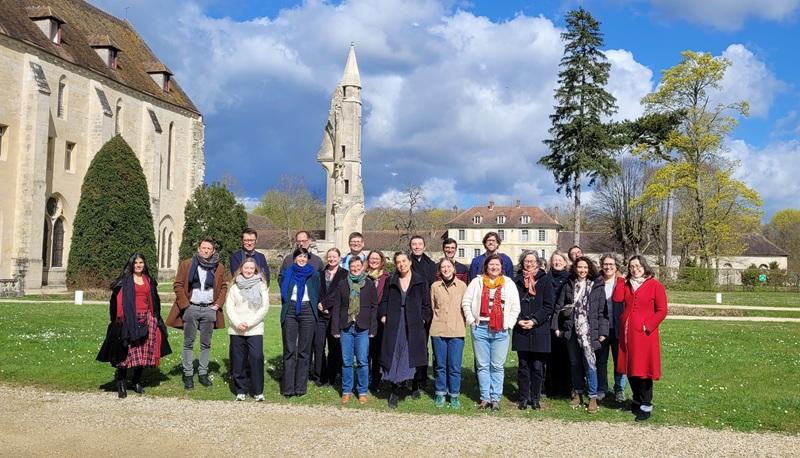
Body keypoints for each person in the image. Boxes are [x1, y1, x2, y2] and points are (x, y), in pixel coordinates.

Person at [97, 254, 171, 398]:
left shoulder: (149, 281)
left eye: (141, 262)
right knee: (126, 353)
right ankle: (122, 383)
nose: (138, 265)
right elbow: (116, 303)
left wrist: (155, 317)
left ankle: (136, 381)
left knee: (143, 353)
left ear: (144, 264)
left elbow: (155, 300)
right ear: (131, 264)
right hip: (128, 320)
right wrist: (119, 320)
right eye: (136, 262)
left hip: (146, 318)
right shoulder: (124, 282)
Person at [166, 237, 227, 390]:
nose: (206, 250)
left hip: (209, 309)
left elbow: (224, 287)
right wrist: (185, 305)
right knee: (188, 343)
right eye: (203, 248)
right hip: (191, 308)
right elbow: (178, 285)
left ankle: (203, 373)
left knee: (206, 344)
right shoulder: (187, 264)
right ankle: (188, 374)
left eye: (209, 249)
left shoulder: (219, 267)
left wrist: (218, 304)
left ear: (213, 251)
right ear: (199, 249)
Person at [613, 255, 668, 422]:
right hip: (627, 334)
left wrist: (647, 325)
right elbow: (617, 298)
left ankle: (646, 405)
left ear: (644, 267)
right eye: (631, 267)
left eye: (637, 266)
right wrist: (621, 281)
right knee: (630, 368)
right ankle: (636, 401)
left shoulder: (655, 285)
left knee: (643, 370)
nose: (635, 269)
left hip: (644, 336)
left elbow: (662, 310)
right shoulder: (627, 284)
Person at [462, 254, 521, 410]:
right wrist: (471, 320)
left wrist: (509, 324)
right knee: (482, 365)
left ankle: (495, 398)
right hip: (480, 327)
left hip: (500, 329)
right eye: (491, 265)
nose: (494, 267)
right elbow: (466, 302)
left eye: (497, 265)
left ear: (501, 267)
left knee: (497, 365)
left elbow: (515, 306)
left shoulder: (508, 284)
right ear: (486, 267)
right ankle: (485, 397)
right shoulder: (477, 282)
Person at [554, 256, 609, 414]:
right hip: (572, 330)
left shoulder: (597, 286)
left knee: (590, 364)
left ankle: (592, 396)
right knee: (575, 363)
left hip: (589, 332)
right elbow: (559, 306)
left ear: (589, 269)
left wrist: (603, 332)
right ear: (575, 268)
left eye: (585, 268)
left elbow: (602, 311)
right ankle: (577, 393)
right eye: (579, 267)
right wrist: (557, 327)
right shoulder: (569, 284)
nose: (582, 270)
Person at [379, 252, 432, 408]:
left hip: (413, 321)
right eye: (398, 262)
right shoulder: (391, 280)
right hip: (395, 321)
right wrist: (383, 315)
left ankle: (414, 383)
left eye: (404, 261)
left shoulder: (420, 281)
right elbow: (384, 300)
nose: (401, 264)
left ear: (409, 262)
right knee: (395, 352)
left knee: (411, 353)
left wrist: (423, 317)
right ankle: (394, 388)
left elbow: (426, 304)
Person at [331, 257, 378, 405]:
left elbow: (374, 307)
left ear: (362, 267)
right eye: (353, 266)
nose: (356, 268)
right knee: (346, 361)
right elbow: (337, 306)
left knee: (363, 361)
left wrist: (372, 327)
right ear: (349, 267)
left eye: (358, 266)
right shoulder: (343, 284)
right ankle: (346, 391)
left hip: (363, 327)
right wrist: (335, 328)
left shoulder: (369, 284)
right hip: (346, 326)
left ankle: (362, 391)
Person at [512, 251, 554, 410]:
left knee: (537, 366)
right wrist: (519, 320)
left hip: (539, 328)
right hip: (521, 328)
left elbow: (549, 305)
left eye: (532, 261)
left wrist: (534, 320)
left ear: (537, 263)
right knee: (523, 366)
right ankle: (523, 397)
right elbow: (511, 303)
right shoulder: (516, 281)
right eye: (526, 261)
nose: (529, 264)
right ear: (522, 263)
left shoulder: (545, 280)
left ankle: (535, 398)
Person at [225, 257, 269, 401]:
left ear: (255, 270)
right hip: (237, 328)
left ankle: (258, 391)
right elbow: (229, 307)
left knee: (256, 358)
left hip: (254, 328)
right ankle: (240, 390)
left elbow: (264, 307)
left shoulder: (262, 286)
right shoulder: (234, 286)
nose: (249, 270)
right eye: (246, 268)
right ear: (241, 269)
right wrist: (238, 323)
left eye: (251, 268)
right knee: (238, 360)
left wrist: (249, 323)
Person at [279, 248, 321, 397]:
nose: (302, 259)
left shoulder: (314, 275)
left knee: (304, 351)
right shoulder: (287, 273)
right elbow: (282, 290)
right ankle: (288, 388)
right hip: (290, 310)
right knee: (289, 350)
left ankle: (300, 387)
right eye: (299, 256)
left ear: (308, 259)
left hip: (307, 311)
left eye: (305, 256)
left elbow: (318, 292)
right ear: (295, 258)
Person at [429, 258, 467, 409]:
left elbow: (465, 307)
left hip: (457, 331)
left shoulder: (462, 286)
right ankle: (440, 393)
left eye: (448, 266)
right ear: (439, 270)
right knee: (440, 366)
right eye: (443, 267)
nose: (446, 269)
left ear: (454, 268)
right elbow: (433, 307)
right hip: (438, 329)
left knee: (455, 366)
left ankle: (454, 395)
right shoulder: (435, 286)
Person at [596, 253, 627, 403]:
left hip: (618, 328)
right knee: (601, 360)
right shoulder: (596, 282)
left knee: (619, 360)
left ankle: (619, 388)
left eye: (611, 265)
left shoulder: (623, 282)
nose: (608, 267)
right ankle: (602, 388)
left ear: (616, 267)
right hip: (601, 328)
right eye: (605, 264)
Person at [314, 248, 345, 386]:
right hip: (320, 316)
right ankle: (320, 376)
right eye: (330, 256)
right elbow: (316, 291)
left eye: (334, 256)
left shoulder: (345, 274)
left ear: (339, 258)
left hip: (335, 316)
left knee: (334, 348)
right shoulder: (320, 274)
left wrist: (325, 304)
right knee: (319, 346)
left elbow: (340, 293)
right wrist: (320, 305)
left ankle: (332, 376)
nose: (332, 259)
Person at [544, 250, 572, 398]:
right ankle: (550, 387)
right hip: (548, 320)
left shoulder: (570, 279)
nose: (557, 262)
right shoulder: (546, 278)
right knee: (550, 355)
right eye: (555, 260)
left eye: (560, 260)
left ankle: (565, 388)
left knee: (565, 355)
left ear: (565, 262)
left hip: (564, 320)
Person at [365, 250, 390, 390]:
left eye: (377, 259)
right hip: (365, 318)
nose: (374, 261)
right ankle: (365, 377)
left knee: (377, 351)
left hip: (380, 319)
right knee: (365, 351)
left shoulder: (386, 278)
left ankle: (376, 379)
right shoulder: (363, 277)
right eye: (371, 258)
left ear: (381, 261)